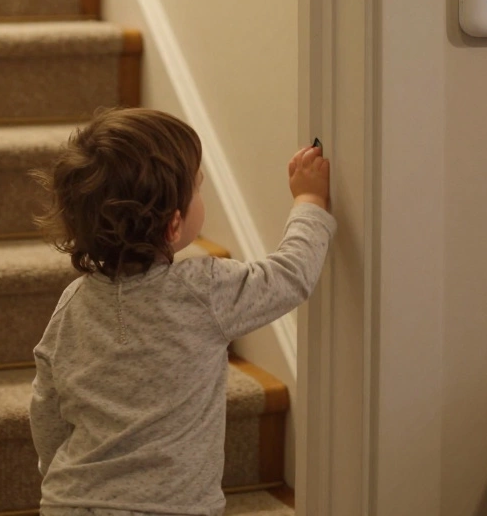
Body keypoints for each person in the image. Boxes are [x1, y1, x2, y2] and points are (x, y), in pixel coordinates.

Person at [29, 107, 336, 516]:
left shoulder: (72, 303)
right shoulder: (204, 289)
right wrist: (310, 200)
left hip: (71, 500)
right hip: (172, 506)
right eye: (198, 188)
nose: (201, 194)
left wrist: (54, 471)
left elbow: (47, 407)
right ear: (174, 226)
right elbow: (290, 275)